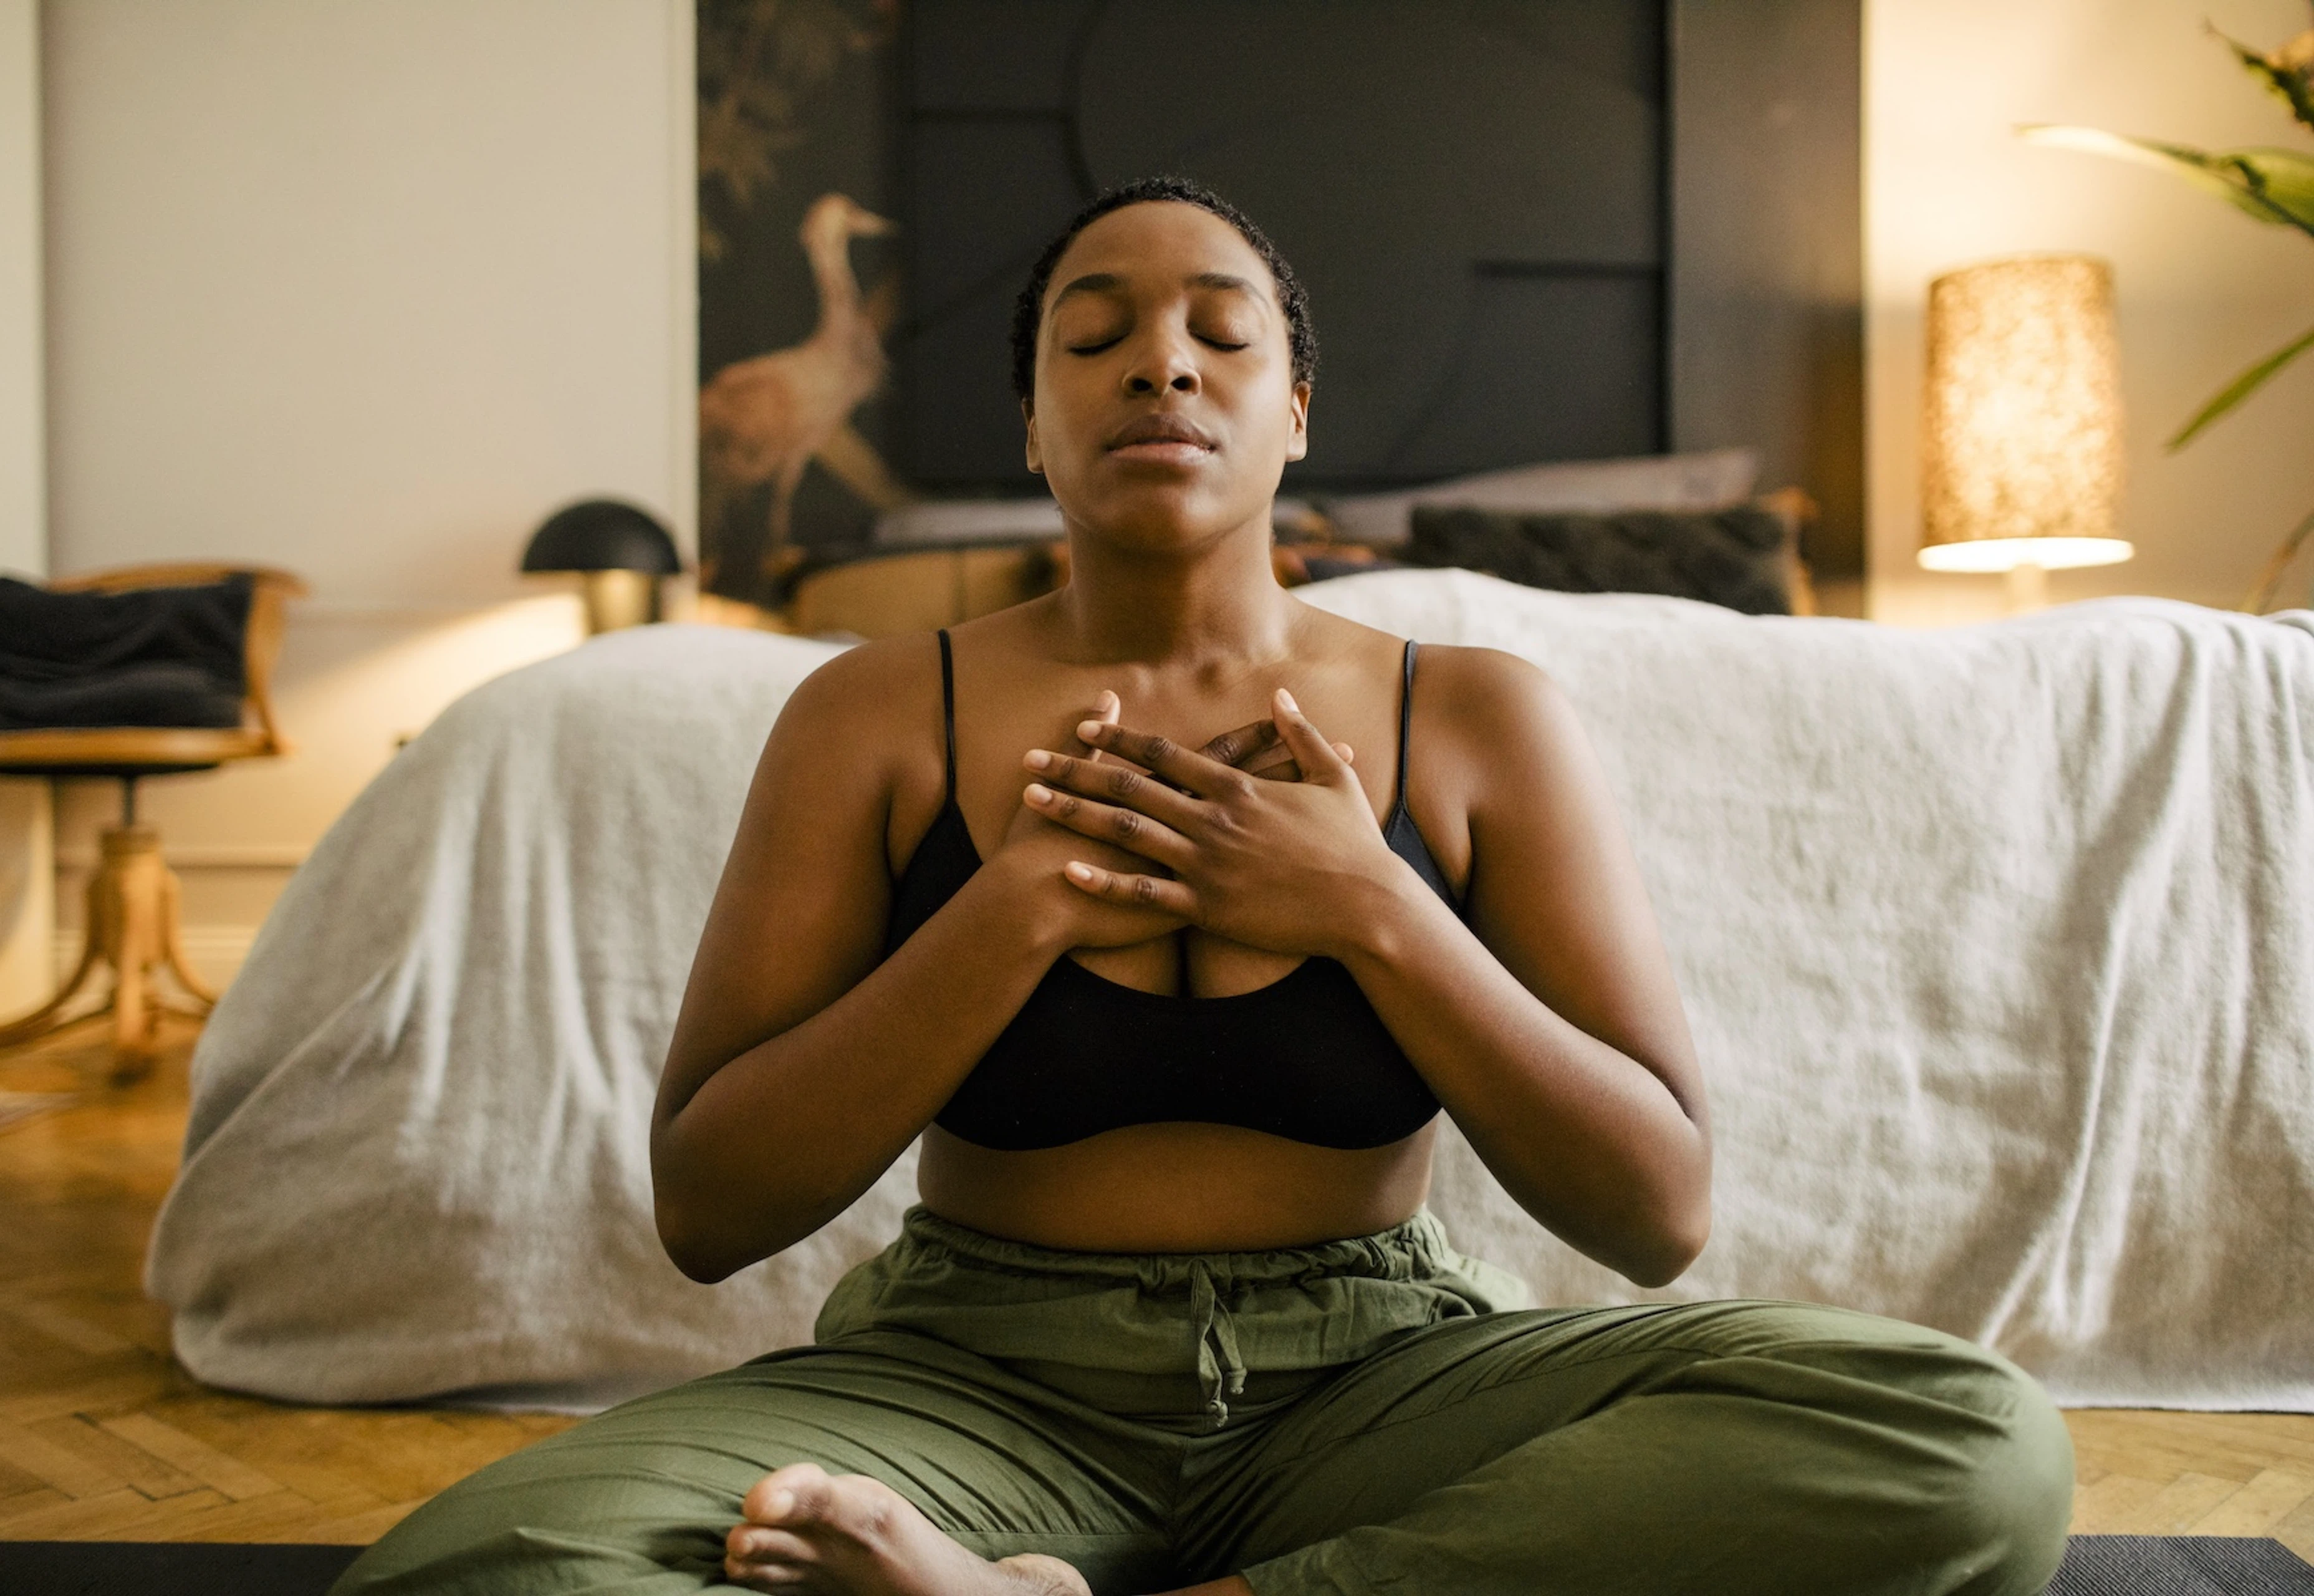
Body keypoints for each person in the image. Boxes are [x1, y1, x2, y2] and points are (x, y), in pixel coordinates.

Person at [334, 177, 2073, 1596]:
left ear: (1292, 412)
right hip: (974, 1378)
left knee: (1973, 1447)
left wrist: (1369, 909)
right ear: (1032, 421)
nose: (1159, 365)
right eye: (1093, 338)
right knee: (479, 1574)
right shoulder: (873, 712)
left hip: (1384, 1380)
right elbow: (712, 1207)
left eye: (1219, 336)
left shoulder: (1473, 718)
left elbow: (1653, 1210)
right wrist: (1011, 912)